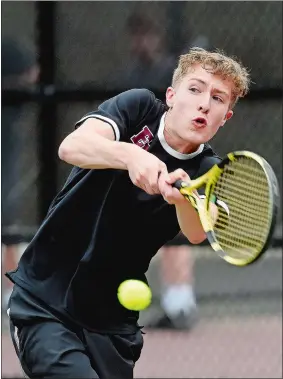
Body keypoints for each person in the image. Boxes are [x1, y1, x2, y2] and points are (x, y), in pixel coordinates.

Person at [6, 47, 250, 378]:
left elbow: (195, 231)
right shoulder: (137, 109)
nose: (205, 103)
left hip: (112, 326)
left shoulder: (207, 170)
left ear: (225, 117)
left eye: (219, 99)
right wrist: (132, 156)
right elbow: (71, 147)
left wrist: (181, 198)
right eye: (195, 89)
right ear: (172, 95)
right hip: (44, 300)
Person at [124, 13, 199, 329]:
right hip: (142, 162)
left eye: (147, 35)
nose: (142, 42)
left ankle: (181, 304)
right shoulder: (131, 75)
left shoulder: (172, 72)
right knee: (144, 234)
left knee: (177, 231)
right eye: (136, 36)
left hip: (176, 157)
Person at [2, 37, 39, 311]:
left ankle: (13, 290)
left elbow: (34, 73)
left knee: (7, 217)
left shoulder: (10, 47)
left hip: (6, 143)